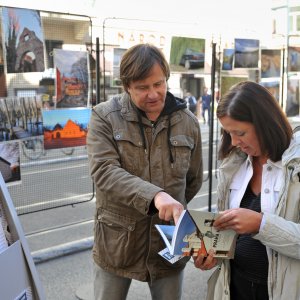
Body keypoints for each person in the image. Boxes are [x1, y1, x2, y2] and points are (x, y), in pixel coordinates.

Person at [87, 43, 203, 300]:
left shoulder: (188, 122)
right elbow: (104, 172)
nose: (153, 94)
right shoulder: (105, 117)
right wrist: (156, 197)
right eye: (142, 87)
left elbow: (193, 180)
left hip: (168, 242)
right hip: (117, 241)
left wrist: (173, 206)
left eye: (159, 84)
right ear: (126, 86)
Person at [194, 80, 300, 300]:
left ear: (264, 124)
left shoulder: (295, 167)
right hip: (235, 286)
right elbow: (231, 234)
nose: (234, 142)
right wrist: (213, 254)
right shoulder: (235, 165)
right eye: (228, 133)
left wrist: (261, 224)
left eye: (240, 133)